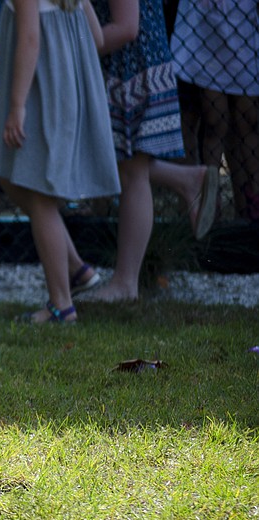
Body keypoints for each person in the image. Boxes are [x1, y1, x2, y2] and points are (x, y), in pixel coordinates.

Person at [0, 0, 121, 323]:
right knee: (11, 178)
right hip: (61, 85)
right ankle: (77, 269)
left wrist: (17, 106)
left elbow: (30, 38)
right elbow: (98, 39)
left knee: (39, 195)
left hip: (38, 91)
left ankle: (62, 305)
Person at [88, 0, 221, 303]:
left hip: (131, 68)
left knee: (132, 170)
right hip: (125, 65)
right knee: (124, 164)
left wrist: (71, 50)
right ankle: (187, 180)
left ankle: (126, 284)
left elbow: (126, 27)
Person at [170, 0, 259, 222]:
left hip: (245, 24)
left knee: (248, 120)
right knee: (214, 121)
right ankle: (209, 205)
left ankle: (251, 205)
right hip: (206, 25)